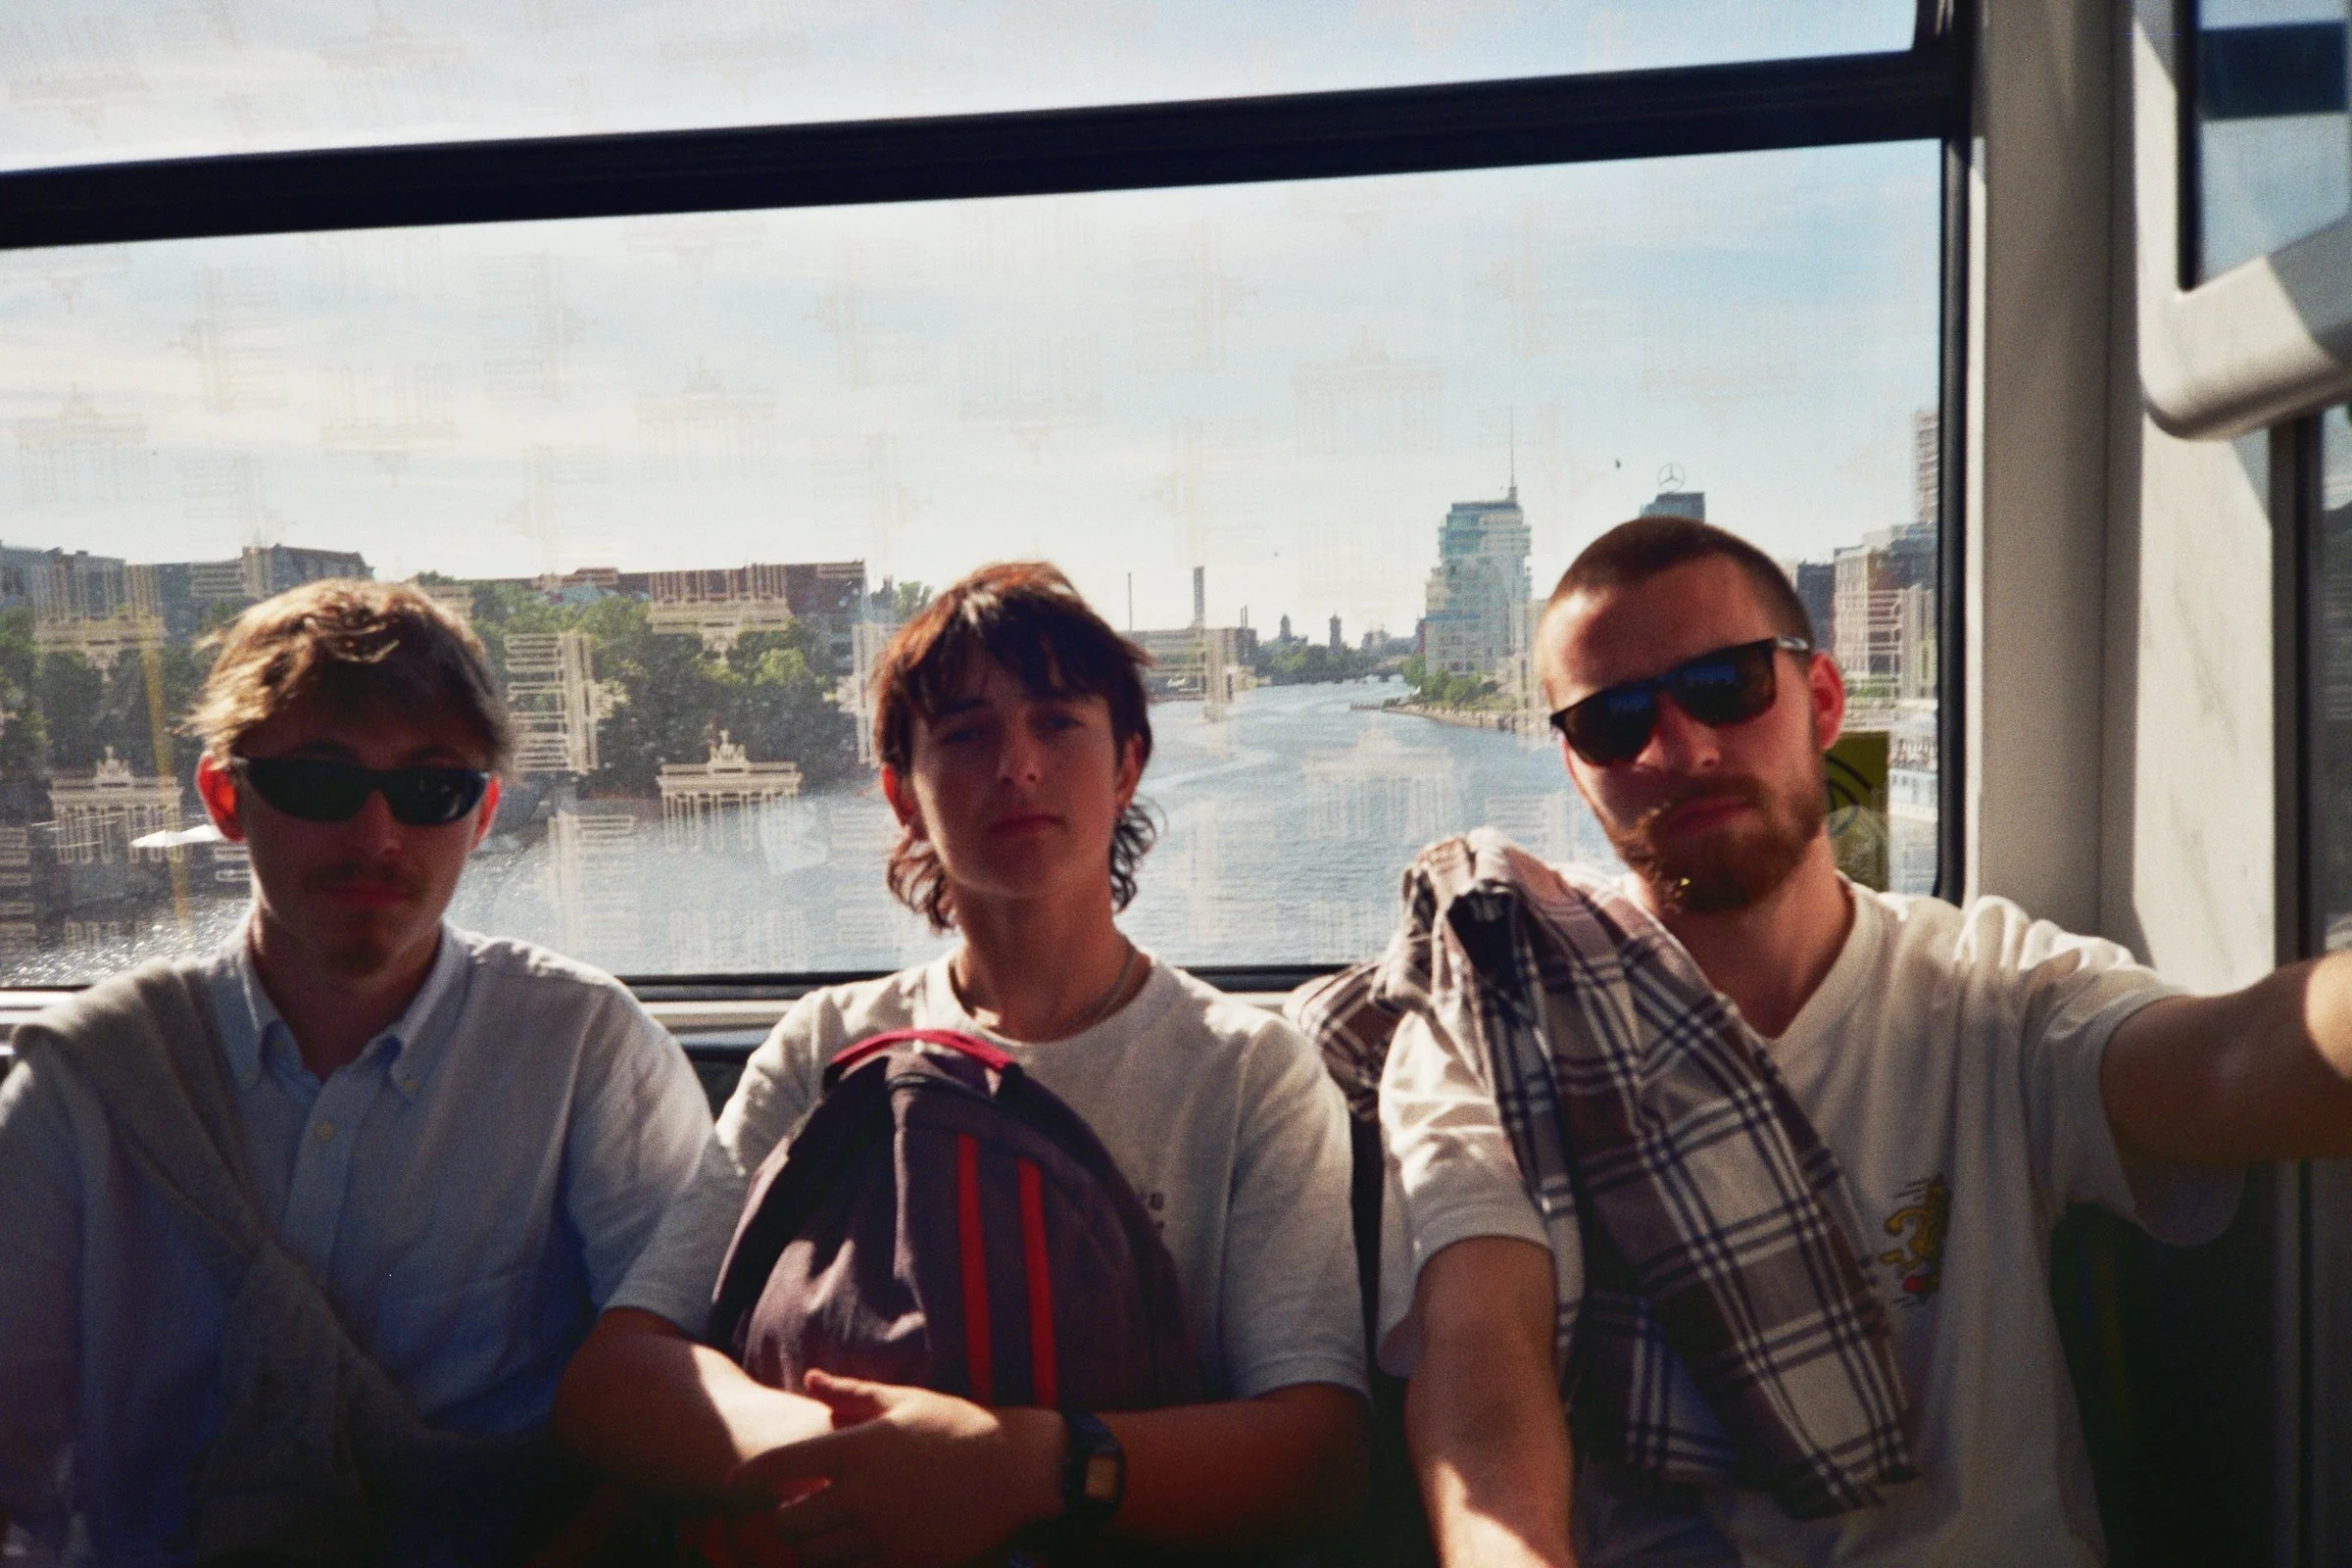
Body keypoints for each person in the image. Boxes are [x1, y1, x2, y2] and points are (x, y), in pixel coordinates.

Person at [1381, 514, 2352, 1566]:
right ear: (1577, 768)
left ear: (1824, 703)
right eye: (1612, 722)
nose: (1681, 748)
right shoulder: (1502, 1021)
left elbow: (2233, 1061)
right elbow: (1483, 1371)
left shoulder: (1985, 987)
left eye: (1727, 685)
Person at [557, 561, 1368, 1564]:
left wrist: (1029, 1465)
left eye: (1058, 722)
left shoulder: (1247, 1072)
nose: (1017, 766)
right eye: (967, 733)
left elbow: (1322, 1448)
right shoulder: (823, 1044)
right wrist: (861, 1462)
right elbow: (618, 1375)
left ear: (1127, 766)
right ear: (903, 793)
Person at [0, 581, 713, 1566]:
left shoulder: (583, 1050)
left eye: (431, 791)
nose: (377, 836)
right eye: (322, 784)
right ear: (225, 799)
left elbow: (685, 1379)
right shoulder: (81, 1085)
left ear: (483, 813)